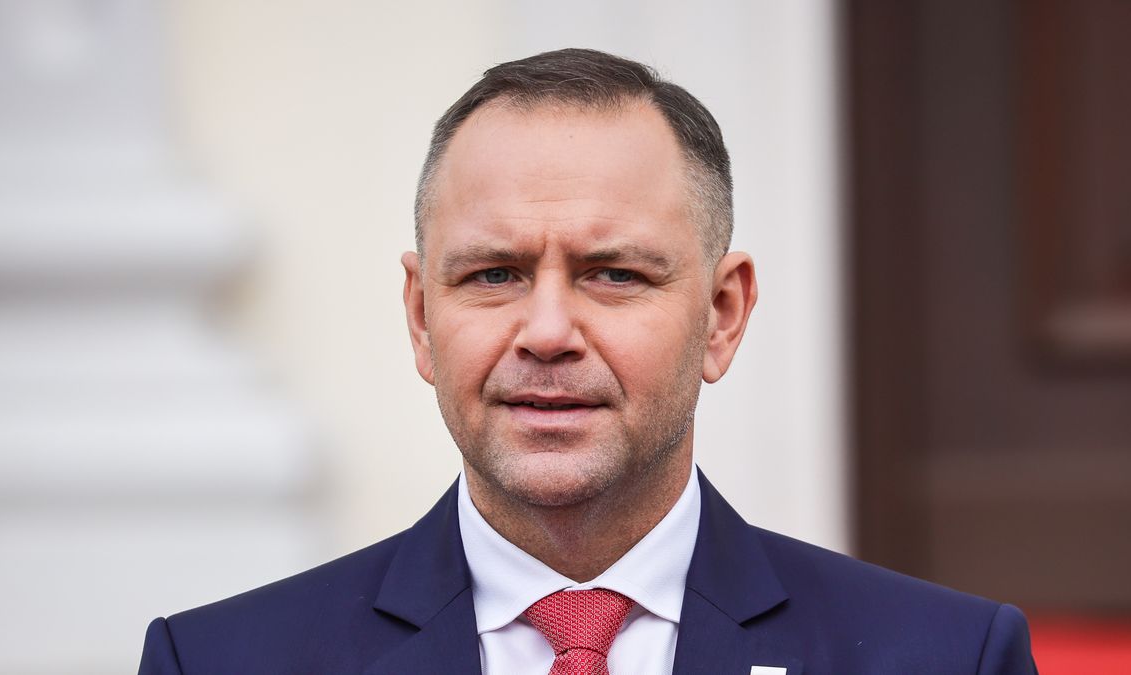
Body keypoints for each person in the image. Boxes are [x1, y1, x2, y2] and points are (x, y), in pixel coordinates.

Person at [138, 48, 1037, 675]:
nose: (548, 330)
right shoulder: (220, 662)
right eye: (494, 273)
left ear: (721, 315)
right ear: (420, 316)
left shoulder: (943, 657)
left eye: (614, 273)